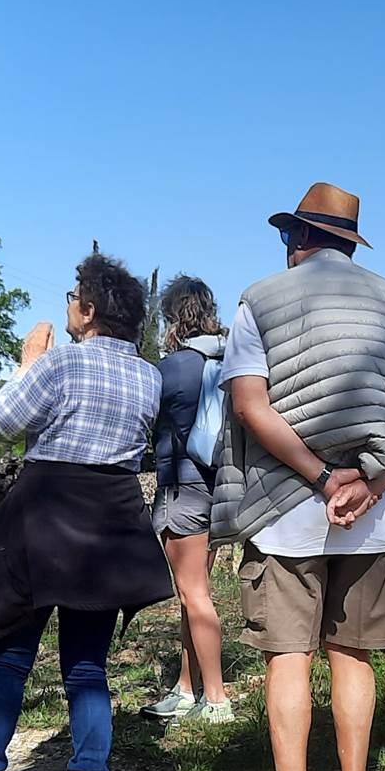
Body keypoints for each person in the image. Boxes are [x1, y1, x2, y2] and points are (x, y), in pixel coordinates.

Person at [211, 182, 385, 771]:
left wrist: (320, 476)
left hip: (285, 510)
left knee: (290, 657)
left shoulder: (260, 301)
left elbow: (250, 404)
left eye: (288, 235)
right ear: (350, 244)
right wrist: (371, 481)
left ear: (301, 238)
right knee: (353, 656)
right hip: (376, 516)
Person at [0, 252, 174, 771]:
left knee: (8, 655)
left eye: (74, 297)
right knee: (87, 668)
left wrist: (27, 364)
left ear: (89, 309)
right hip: (109, 521)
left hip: (43, 516)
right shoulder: (149, 377)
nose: (69, 305)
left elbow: (2, 423)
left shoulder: (60, 364)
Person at [140, 275, 233, 725]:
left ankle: (216, 700)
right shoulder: (229, 360)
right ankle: (184, 688)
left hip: (182, 489)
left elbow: (144, 421)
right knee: (192, 592)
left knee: (194, 594)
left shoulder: (170, 369)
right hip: (219, 489)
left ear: (172, 316)